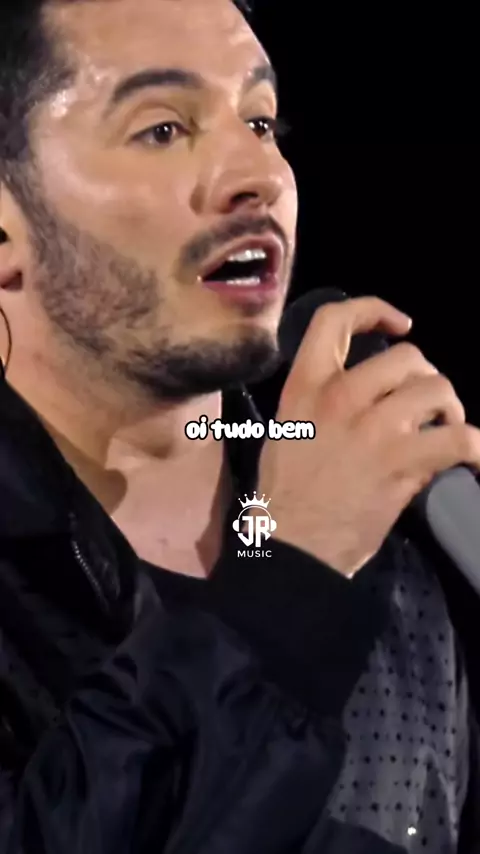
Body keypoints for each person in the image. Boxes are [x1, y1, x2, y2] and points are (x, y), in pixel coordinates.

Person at [1, 0, 480, 852]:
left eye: (261, 121)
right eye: (162, 129)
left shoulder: (393, 566)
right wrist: (292, 578)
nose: (258, 173)